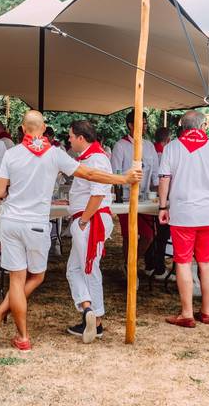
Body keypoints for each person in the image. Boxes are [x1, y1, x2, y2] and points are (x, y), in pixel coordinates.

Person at [0, 110, 142, 351]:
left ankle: (22, 336)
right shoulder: (55, 154)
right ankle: (3, 318)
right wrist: (123, 179)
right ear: (44, 127)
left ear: (23, 129)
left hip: (11, 221)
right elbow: (89, 173)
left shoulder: (11, 154)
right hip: (36, 224)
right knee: (36, 277)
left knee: (17, 279)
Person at [158, 111, 209, 328]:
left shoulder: (172, 148)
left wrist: (163, 205)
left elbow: (164, 179)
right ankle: (207, 311)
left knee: (183, 261)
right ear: (203, 126)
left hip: (183, 212)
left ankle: (187, 313)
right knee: (206, 262)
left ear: (183, 126)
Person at [63, 120, 115, 342]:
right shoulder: (89, 158)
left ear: (81, 138)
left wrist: (84, 220)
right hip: (86, 220)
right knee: (74, 269)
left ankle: (98, 318)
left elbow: (98, 193)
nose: (69, 140)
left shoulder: (97, 159)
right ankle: (88, 312)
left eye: (71, 136)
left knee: (88, 267)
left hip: (90, 221)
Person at [111, 111, 161, 278]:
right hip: (125, 199)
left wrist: (160, 192)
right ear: (130, 125)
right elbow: (115, 174)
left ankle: (129, 263)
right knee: (129, 235)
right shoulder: (120, 146)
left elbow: (155, 175)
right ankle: (130, 269)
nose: (145, 126)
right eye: (141, 123)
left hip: (146, 198)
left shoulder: (149, 146)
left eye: (146, 123)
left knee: (149, 235)